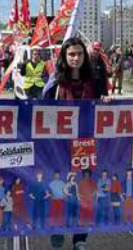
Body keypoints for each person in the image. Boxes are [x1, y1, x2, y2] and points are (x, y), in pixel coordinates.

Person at [42, 37, 113, 250]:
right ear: (64, 56)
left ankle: (80, 238)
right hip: (61, 145)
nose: (76, 58)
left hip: (86, 143)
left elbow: (103, 101)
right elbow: (41, 105)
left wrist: (105, 101)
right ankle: (57, 229)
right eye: (71, 54)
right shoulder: (56, 79)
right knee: (60, 189)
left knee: (84, 190)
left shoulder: (94, 78)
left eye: (80, 54)